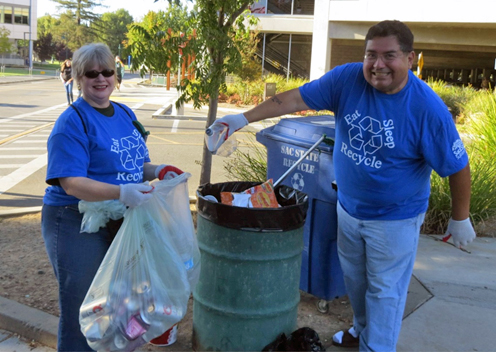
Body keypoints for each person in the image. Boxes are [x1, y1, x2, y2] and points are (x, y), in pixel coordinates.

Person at [206, 20, 476, 351]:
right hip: (348, 207)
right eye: (371, 55)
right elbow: (291, 100)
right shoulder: (347, 79)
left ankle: (376, 346)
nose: (378, 65)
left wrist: (459, 217)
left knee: (385, 292)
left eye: (389, 55)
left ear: (410, 57)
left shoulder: (426, 109)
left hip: (395, 219)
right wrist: (242, 118)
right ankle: (362, 330)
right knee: (357, 282)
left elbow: (457, 166)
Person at [41, 43, 184, 351]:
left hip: (121, 214)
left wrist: (159, 170)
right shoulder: (72, 122)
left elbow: (134, 165)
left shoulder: (125, 113)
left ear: (116, 75)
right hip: (75, 218)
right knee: (85, 304)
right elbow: (71, 183)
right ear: (78, 78)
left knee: (121, 300)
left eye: (107, 71)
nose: (101, 78)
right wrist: (122, 191)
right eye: (91, 73)